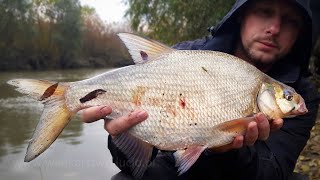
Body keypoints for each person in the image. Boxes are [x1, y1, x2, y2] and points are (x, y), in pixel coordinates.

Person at [81, 0, 320, 179]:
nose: (274, 28)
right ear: (241, 15)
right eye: (264, 11)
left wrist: (226, 150)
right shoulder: (185, 55)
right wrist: (121, 135)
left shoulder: (303, 92)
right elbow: (131, 166)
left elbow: (274, 173)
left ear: (300, 33)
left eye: (290, 21)